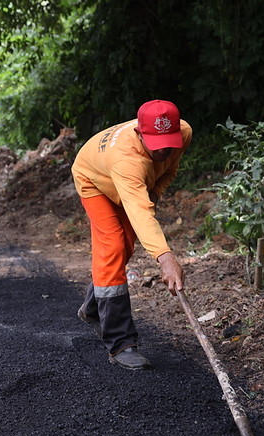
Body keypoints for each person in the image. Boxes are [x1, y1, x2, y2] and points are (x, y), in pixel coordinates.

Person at [72, 99, 192, 370]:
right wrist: (165, 258)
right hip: (94, 180)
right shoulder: (127, 160)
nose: (163, 150)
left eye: (168, 142)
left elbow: (170, 169)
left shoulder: (183, 133)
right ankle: (120, 343)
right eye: (156, 144)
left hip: (129, 182)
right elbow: (140, 214)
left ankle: (93, 307)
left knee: (125, 246)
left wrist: (156, 191)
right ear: (139, 133)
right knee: (113, 247)